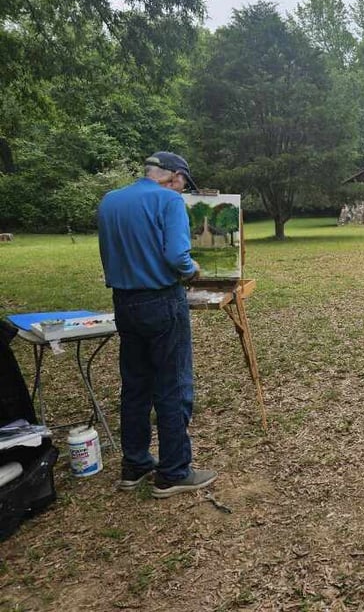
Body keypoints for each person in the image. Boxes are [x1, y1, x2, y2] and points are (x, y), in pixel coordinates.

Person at [97, 152, 218, 498]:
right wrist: (193, 270)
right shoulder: (168, 200)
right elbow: (177, 256)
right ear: (175, 176)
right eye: (184, 184)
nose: (183, 190)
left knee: (135, 385)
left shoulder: (110, 201)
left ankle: (134, 465)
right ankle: (174, 471)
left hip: (124, 301)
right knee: (173, 385)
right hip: (162, 301)